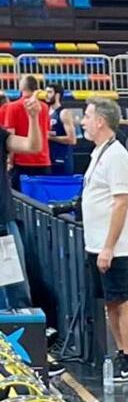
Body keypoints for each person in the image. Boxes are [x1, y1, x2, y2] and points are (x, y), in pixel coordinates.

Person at [81, 97, 128, 379]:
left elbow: (121, 203)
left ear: (100, 121)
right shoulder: (99, 153)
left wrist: (108, 247)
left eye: (87, 116)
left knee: (121, 299)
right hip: (96, 243)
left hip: (113, 247)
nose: (83, 122)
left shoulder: (117, 156)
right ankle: (120, 351)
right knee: (109, 301)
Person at [0, 92, 42, 309]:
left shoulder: (1, 136)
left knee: (15, 291)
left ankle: (20, 340)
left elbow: (33, 146)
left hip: (2, 223)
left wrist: (33, 119)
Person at [6, 75, 51, 189]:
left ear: (21, 87)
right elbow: (46, 131)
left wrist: (10, 161)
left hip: (22, 161)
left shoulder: (12, 107)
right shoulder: (44, 107)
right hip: (43, 159)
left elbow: (10, 134)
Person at [47, 86, 78, 175]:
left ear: (57, 95)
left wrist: (50, 137)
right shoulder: (47, 112)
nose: (47, 95)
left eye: (49, 92)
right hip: (49, 158)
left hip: (62, 159)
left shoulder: (64, 113)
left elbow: (72, 139)